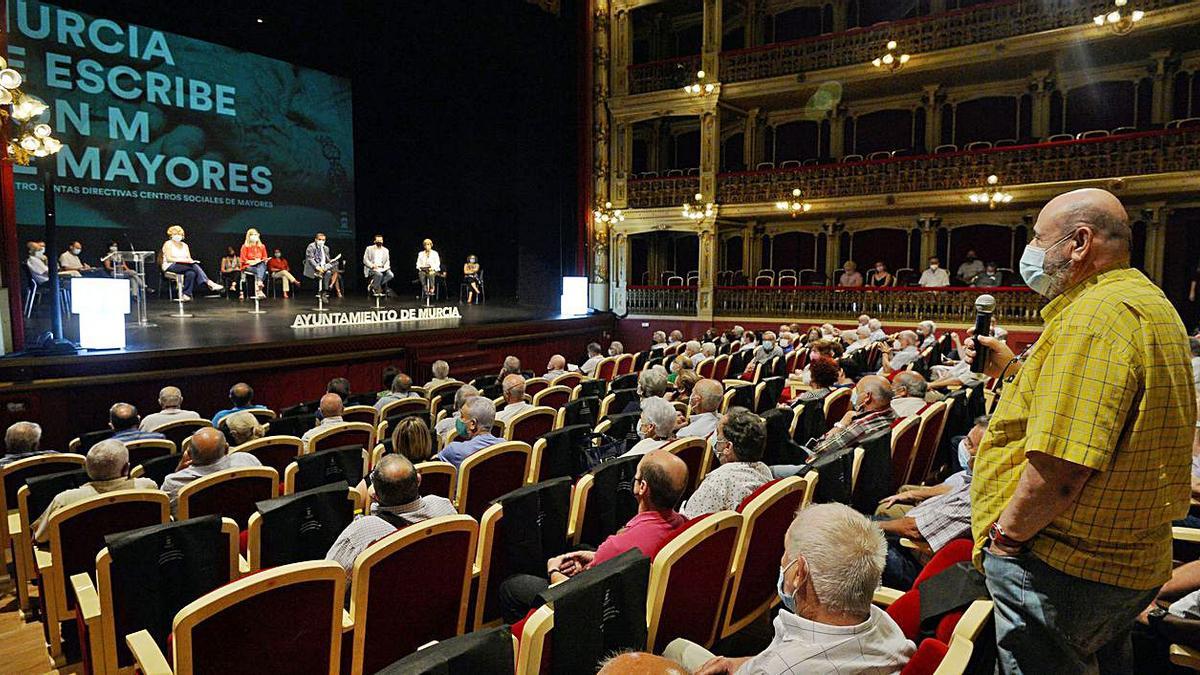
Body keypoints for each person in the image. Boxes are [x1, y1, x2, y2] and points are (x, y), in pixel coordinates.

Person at [965, 188, 1193, 674]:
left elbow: (1061, 467)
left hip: (1065, 565)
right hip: (1123, 557)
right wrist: (1008, 373)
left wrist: (1005, 540)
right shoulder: (1146, 301)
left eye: (1037, 239)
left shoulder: (1094, 319)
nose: (1031, 252)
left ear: (1079, 242)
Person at [665, 504, 914, 674]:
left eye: (786, 553)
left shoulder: (780, 668)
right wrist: (735, 664)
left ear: (799, 573)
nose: (782, 561)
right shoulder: (884, 622)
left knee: (675, 647)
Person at [497, 450, 688, 622]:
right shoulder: (683, 523)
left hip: (598, 615)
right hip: (636, 597)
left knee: (512, 587)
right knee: (580, 549)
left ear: (642, 488)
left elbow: (574, 596)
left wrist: (553, 571)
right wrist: (596, 558)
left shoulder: (618, 546)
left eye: (636, 478)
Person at [875, 418, 979, 590]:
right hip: (915, 534)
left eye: (969, 443)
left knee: (850, 538)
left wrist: (867, 524)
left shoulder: (975, 496)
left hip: (913, 558)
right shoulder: (974, 480)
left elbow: (913, 530)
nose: (962, 444)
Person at [325, 454, 457, 581]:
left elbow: (330, 581)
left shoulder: (362, 532)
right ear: (418, 480)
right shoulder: (444, 508)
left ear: (375, 495)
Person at [32, 440, 158, 543]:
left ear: (87, 470)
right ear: (126, 468)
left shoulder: (65, 500)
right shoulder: (147, 487)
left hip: (79, 567)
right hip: (139, 559)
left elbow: (40, 537)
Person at [772, 376, 896, 478]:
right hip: (853, 468)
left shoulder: (861, 425)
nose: (855, 395)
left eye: (857, 391)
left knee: (771, 470)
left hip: (826, 470)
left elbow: (820, 449)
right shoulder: (893, 414)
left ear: (867, 397)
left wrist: (841, 423)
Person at [681, 408, 771, 518]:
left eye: (718, 435)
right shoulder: (764, 470)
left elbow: (691, 524)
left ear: (728, 447)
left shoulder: (718, 481)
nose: (714, 439)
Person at [161, 427, 262, 514]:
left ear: (189, 454)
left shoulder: (174, 482)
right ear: (226, 449)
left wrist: (178, 470)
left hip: (201, 536)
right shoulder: (247, 460)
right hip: (251, 527)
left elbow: (166, 515)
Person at [160, 225, 223, 301]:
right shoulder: (168, 244)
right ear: (171, 235)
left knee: (191, 273)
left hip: (184, 265)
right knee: (193, 265)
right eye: (175, 234)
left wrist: (189, 261)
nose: (177, 236)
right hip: (170, 265)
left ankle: (186, 294)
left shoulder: (185, 245)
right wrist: (184, 261)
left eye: (179, 234)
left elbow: (189, 258)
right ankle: (209, 282)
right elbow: (169, 258)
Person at [436, 396, 502, 468]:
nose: (459, 420)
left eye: (462, 416)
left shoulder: (455, 450)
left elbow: (433, 465)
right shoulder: (505, 445)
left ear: (473, 424)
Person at [304, 232, 339, 297]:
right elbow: (310, 259)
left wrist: (331, 260)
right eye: (320, 239)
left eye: (323, 240)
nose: (321, 241)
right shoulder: (311, 246)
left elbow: (327, 259)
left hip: (323, 266)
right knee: (328, 272)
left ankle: (325, 291)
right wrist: (317, 267)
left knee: (335, 263)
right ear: (316, 239)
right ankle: (320, 273)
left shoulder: (326, 248)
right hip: (314, 267)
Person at [238, 228, 269, 300]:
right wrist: (252, 262)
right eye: (253, 234)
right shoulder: (245, 246)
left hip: (259, 266)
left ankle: (259, 283)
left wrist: (262, 260)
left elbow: (265, 257)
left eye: (256, 234)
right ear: (249, 236)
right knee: (261, 270)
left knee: (262, 265)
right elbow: (243, 260)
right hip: (248, 266)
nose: (255, 236)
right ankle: (260, 288)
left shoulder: (262, 246)